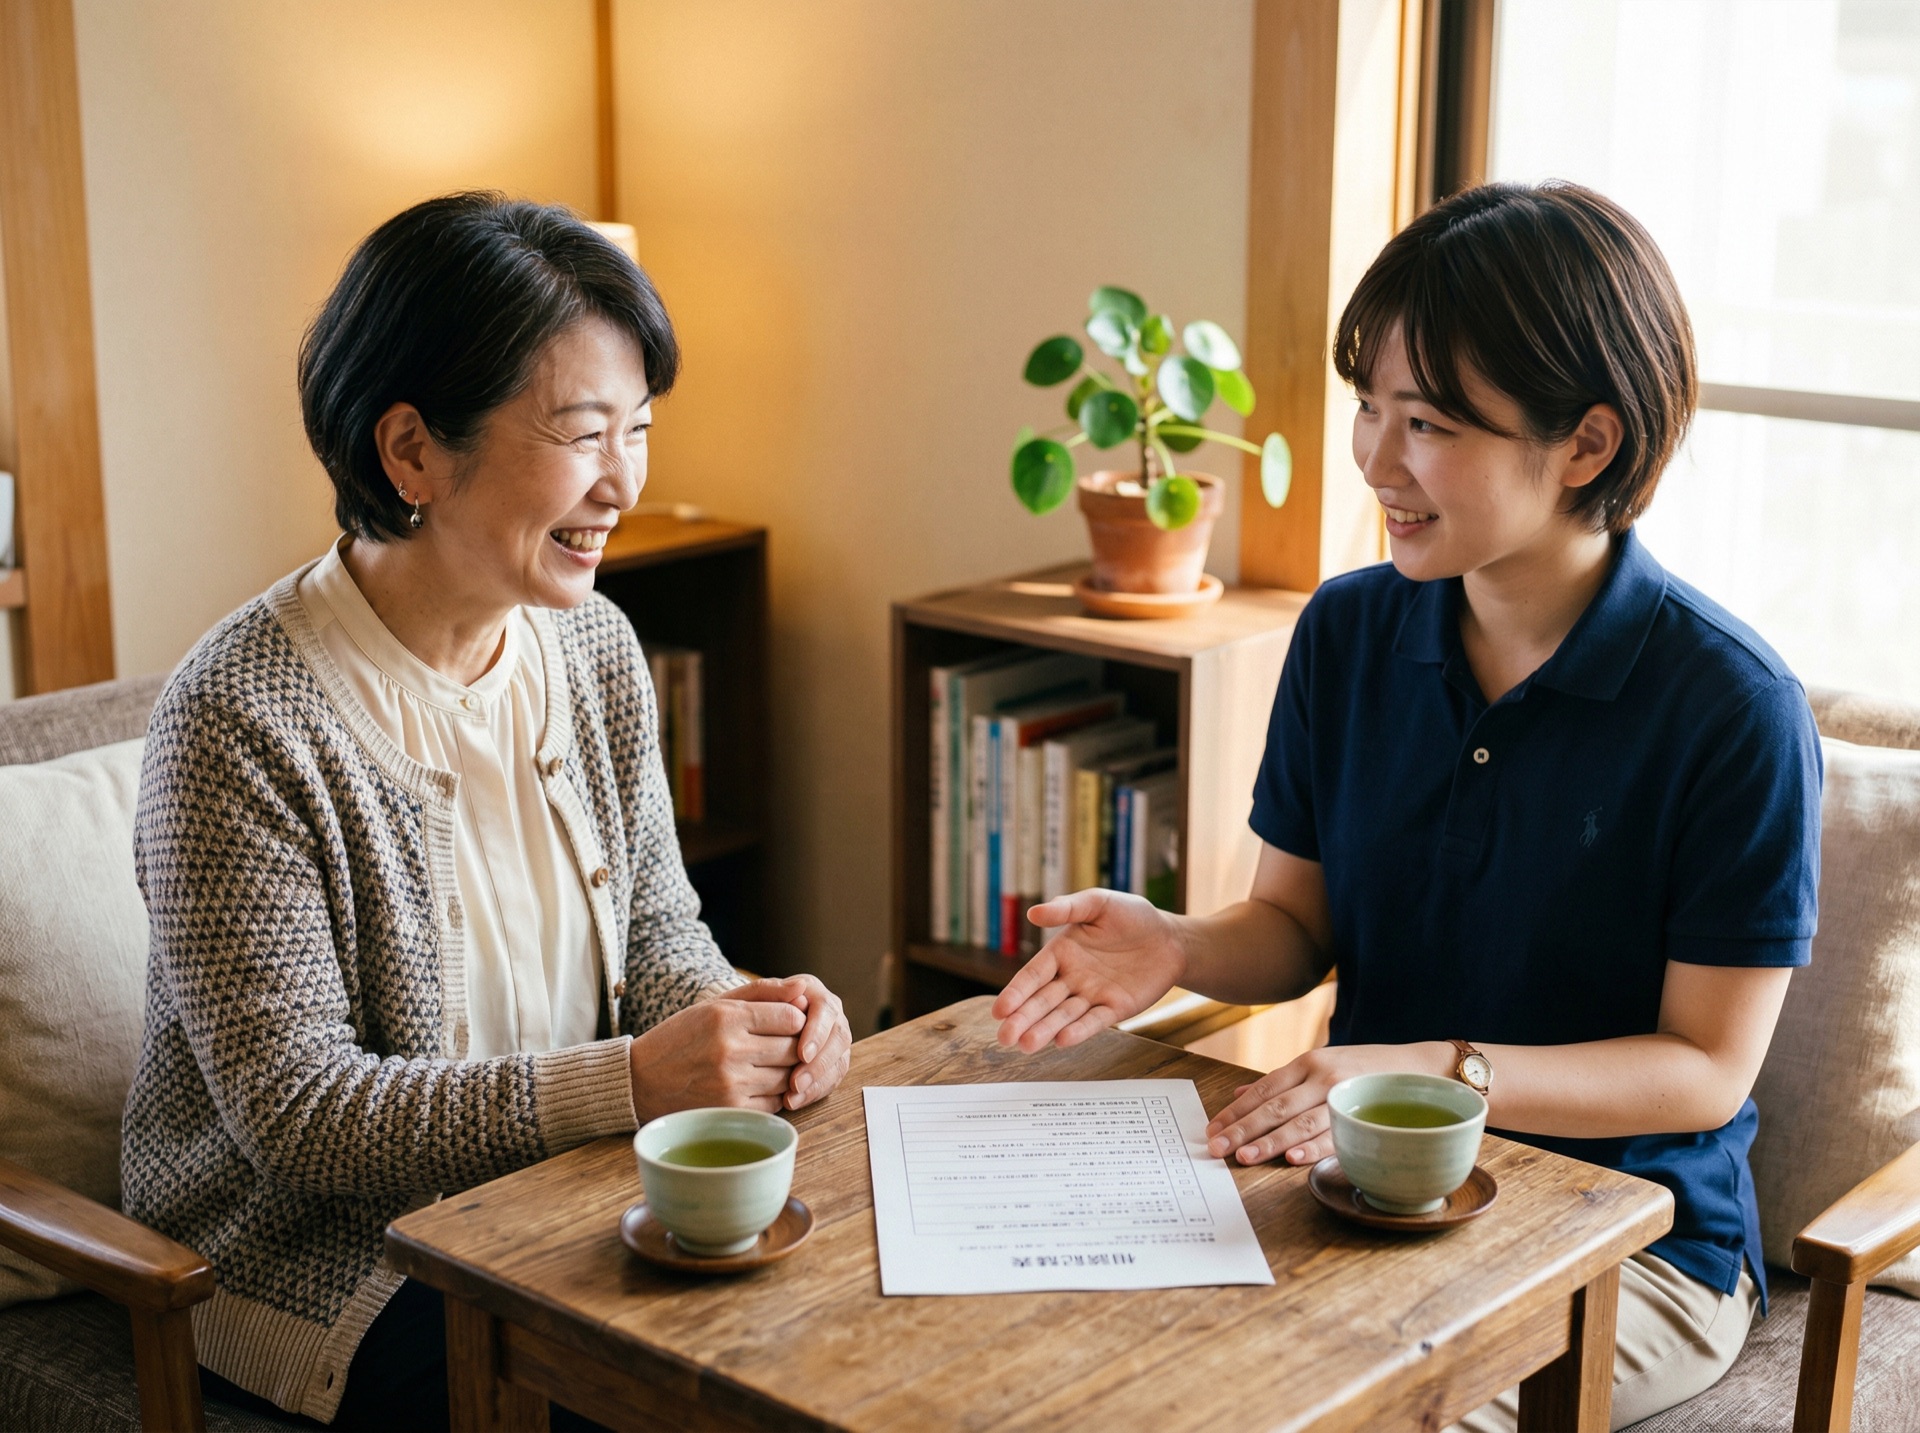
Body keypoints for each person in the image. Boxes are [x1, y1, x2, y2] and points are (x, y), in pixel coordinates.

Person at [992, 181, 1820, 1432]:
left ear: (1587, 444)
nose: (1376, 459)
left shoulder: (1731, 706)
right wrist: (1176, 944)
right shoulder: (1349, 629)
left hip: (1631, 1242)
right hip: (1362, 1188)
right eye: (1368, 408)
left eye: (1427, 421)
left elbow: (1703, 1070)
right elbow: (1292, 924)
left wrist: (1439, 1070)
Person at [121, 193, 851, 1430]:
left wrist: (743, 1022)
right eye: (581, 433)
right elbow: (305, 1120)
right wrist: (631, 1081)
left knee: (838, 1319)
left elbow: (661, 931)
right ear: (411, 451)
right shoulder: (238, 718)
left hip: (562, 1194)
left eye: (640, 429)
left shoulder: (597, 649)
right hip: (320, 1258)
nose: (622, 481)